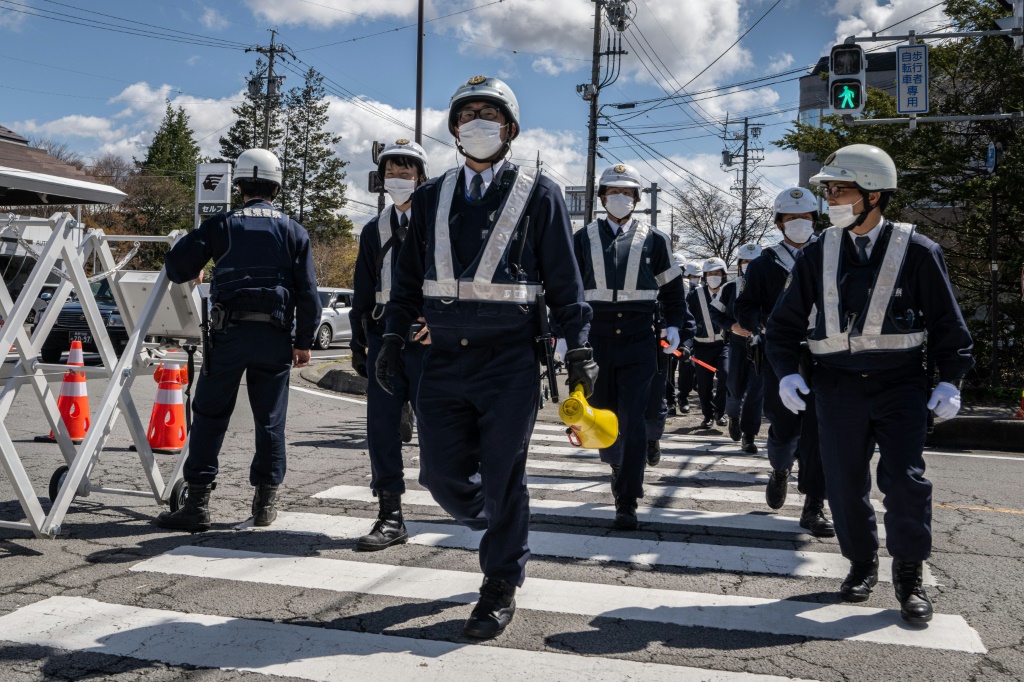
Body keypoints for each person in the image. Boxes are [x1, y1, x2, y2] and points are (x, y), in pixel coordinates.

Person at [376, 76, 594, 640]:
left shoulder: (539, 192)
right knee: (441, 476)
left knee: (505, 474)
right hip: (442, 359)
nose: (477, 122)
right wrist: (393, 340)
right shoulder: (430, 196)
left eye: (489, 114)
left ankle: (499, 582)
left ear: (510, 129)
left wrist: (580, 348)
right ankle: (497, 519)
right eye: (467, 113)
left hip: (511, 361)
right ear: (453, 129)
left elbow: (565, 282)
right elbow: (405, 283)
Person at [766, 144, 974, 624]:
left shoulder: (919, 251)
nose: (831, 198)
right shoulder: (818, 251)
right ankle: (861, 566)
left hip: (900, 384)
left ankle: (909, 575)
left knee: (904, 481)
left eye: (841, 189)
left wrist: (951, 380)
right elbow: (783, 327)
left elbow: (949, 325)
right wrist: (788, 372)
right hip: (835, 386)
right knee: (843, 485)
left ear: (874, 194)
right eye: (830, 190)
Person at [157, 148, 321, 533]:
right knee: (270, 419)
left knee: (211, 415)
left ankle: (197, 503)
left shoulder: (223, 224)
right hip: (276, 337)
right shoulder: (293, 229)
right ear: (276, 186)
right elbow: (308, 291)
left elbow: (177, 267)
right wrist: (303, 341)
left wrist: (194, 253)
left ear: (240, 184)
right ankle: (265, 502)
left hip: (229, 333)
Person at [575, 163, 692, 520]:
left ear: (637, 198)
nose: (620, 198)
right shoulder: (581, 238)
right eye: (613, 192)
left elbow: (673, 291)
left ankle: (628, 497)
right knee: (604, 414)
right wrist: (564, 335)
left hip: (639, 336)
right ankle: (616, 465)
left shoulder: (655, 239)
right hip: (596, 337)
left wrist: (674, 325)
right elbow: (568, 291)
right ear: (601, 198)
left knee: (634, 417)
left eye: (627, 193)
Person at [735, 187, 833, 537]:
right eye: (791, 219)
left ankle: (814, 506)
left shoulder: (833, 253)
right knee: (785, 427)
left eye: (805, 217)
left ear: (815, 219)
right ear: (778, 223)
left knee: (821, 431)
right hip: (782, 354)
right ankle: (779, 469)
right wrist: (763, 324)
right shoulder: (764, 263)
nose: (798, 224)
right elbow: (744, 307)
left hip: (827, 351)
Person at [349, 139, 431, 551]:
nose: (397, 179)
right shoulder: (373, 229)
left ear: (421, 177)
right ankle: (390, 514)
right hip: (384, 336)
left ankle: (463, 497)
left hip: (425, 337)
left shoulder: (437, 224)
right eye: (391, 173)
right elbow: (362, 288)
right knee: (381, 428)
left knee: (438, 426)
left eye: (406, 172)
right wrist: (358, 343)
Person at [710, 243, 764, 454]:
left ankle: (749, 435)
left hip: (761, 344)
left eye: (753, 262)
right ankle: (733, 415)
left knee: (756, 391)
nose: (749, 266)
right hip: (737, 344)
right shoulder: (730, 287)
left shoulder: (769, 285)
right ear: (739, 264)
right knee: (734, 386)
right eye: (745, 262)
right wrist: (731, 326)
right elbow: (716, 313)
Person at [687, 257, 729, 429]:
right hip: (701, 346)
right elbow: (688, 320)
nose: (714, 276)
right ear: (704, 276)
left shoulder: (729, 292)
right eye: (710, 273)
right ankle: (708, 416)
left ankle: (720, 412)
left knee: (726, 375)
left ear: (723, 275)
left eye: (717, 273)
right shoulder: (694, 295)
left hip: (723, 346)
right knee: (704, 384)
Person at [676, 262, 702, 414]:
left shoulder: (698, 292)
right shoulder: (679, 288)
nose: (695, 280)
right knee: (668, 371)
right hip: (671, 333)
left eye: (698, 277)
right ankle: (671, 398)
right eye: (693, 277)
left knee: (688, 367)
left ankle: (683, 396)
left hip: (688, 334)